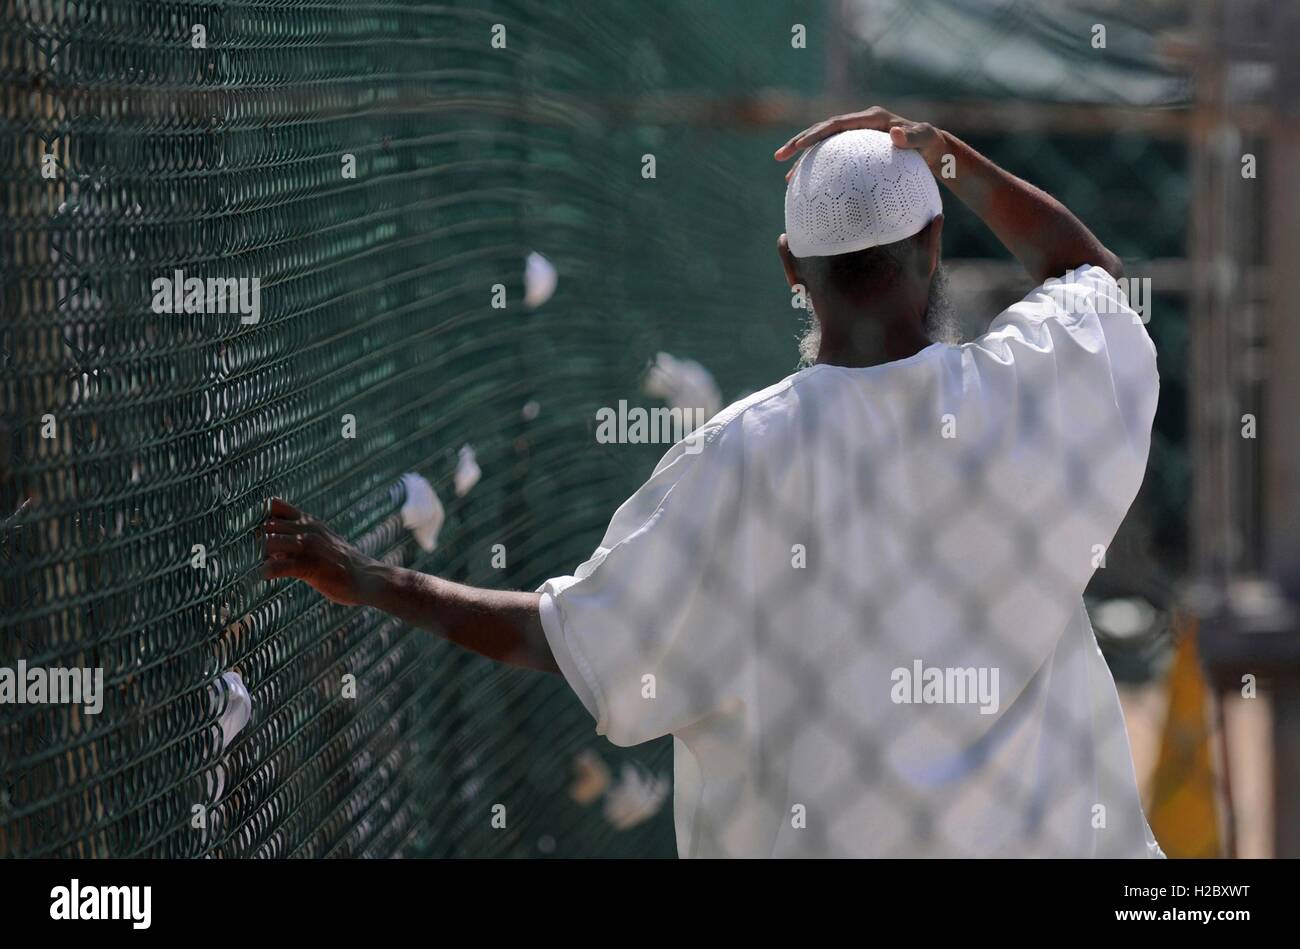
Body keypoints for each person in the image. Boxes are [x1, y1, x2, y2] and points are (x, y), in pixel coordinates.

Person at [258, 106, 1164, 858]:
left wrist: (370, 578)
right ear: (934, 244)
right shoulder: (1024, 392)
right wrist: (949, 159)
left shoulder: (735, 460)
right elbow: (1091, 277)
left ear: (788, 269)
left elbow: (560, 640)